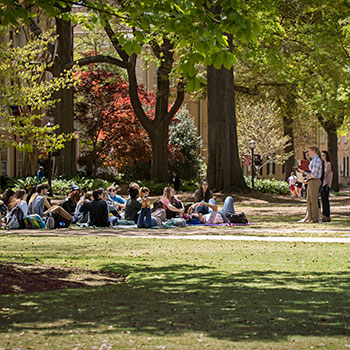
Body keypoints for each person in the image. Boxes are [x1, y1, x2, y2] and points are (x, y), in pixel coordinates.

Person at [300, 145, 323, 223]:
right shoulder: (313, 160)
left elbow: (314, 174)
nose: (308, 153)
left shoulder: (317, 160)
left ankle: (315, 218)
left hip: (314, 181)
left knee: (313, 199)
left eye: (309, 151)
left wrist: (304, 172)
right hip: (310, 180)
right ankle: (310, 217)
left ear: (314, 151)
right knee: (308, 199)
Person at [321, 150, 333, 222]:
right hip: (323, 184)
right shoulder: (323, 164)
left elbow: (324, 174)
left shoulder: (328, 164)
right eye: (322, 155)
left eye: (324, 155)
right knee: (323, 200)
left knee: (325, 200)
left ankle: (327, 215)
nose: (322, 157)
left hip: (326, 184)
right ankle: (324, 215)